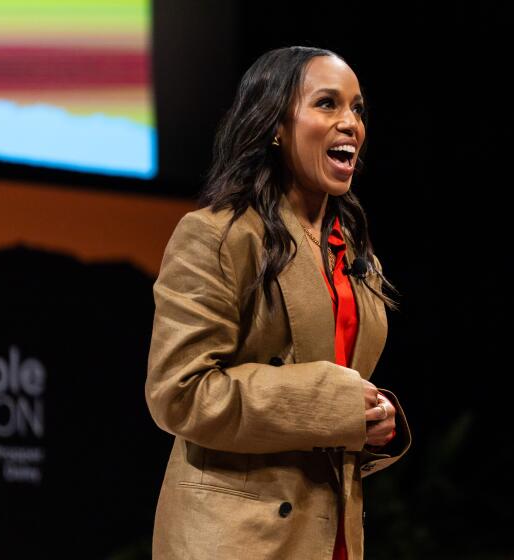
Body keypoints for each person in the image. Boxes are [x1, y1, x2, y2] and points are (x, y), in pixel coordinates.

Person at [145, 45, 411, 560]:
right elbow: (180, 391)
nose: (350, 123)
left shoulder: (351, 251)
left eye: (357, 108)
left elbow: (337, 391)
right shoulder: (217, 235)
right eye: (327, 104)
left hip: (328, 534)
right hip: (238, 538)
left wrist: (372, 421)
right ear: (275, 126)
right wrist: (332, 403)